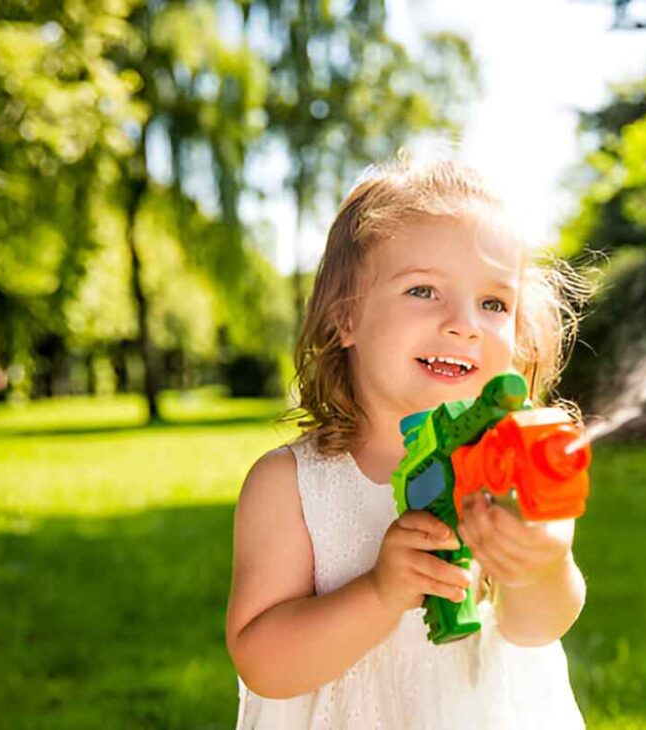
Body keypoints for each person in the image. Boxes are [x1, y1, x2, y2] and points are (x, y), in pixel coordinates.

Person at [225, 151, 595, 729]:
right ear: (346, 317)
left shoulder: (515, 469)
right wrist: (379, 593)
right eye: (424, 291)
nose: (464, 322)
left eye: (494, 303)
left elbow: (536, 628)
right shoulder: (289, 486)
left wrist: (541, 567)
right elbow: (262, 661)